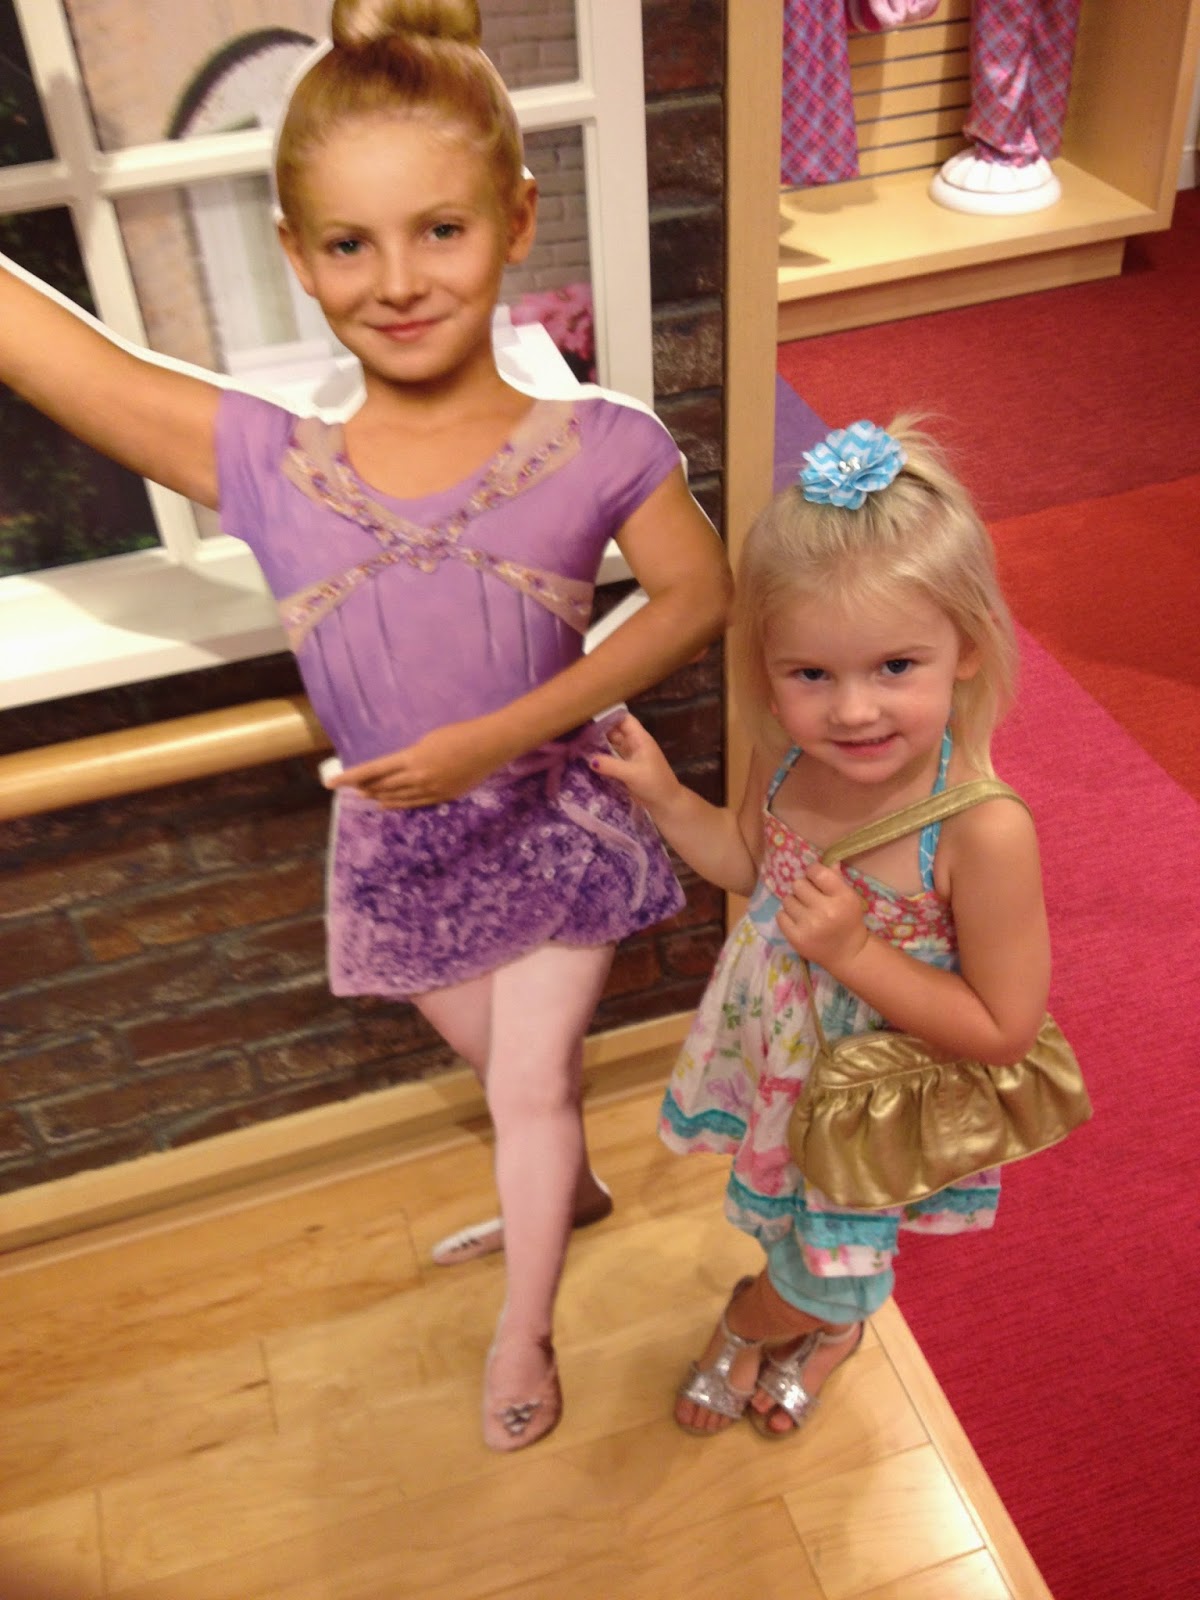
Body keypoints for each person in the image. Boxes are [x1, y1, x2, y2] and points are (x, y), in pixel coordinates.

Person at [0, 0, 730, 1453]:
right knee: (508, 1079)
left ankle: (525, 1332)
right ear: (296, 254)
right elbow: (38, 346)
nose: (397, 282)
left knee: (533, 1077)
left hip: (553, 821)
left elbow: (699, 596)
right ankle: (569, 1188)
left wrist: (504, 734)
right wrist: (446, 770)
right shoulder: (264, 462)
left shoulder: (601, 445)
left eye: (440, 231)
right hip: (404, 847)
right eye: (349, 244)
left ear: (516, 220)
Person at [593, 417, 1049, 1437]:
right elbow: (747, 868)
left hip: (873, 1100)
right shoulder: (789, 759)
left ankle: (758, 1324)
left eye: (895, 666)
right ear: (768, 667)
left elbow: (1005, 1028)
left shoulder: (982, 830)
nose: (851, 712)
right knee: (793, 1228)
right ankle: (823, 1327)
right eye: (811, 675)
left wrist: (854, 952)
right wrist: (664, 796)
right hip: (780, 1062)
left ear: (968, 646)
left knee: (831, 1271)